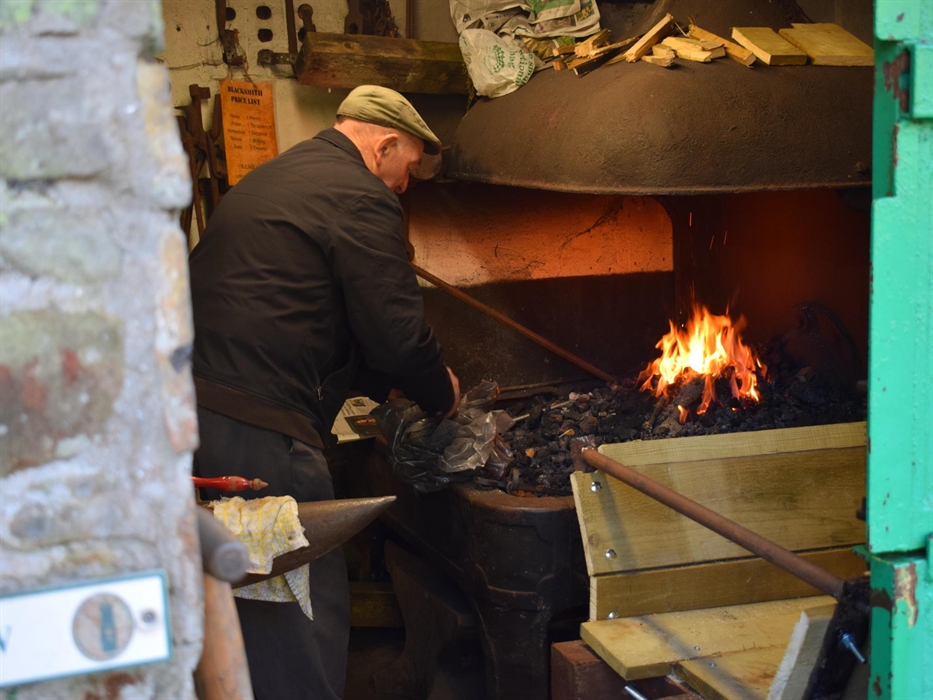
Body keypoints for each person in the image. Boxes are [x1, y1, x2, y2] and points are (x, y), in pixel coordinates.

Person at [188, 85, 460, 699]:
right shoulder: (360, 195)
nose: (405, 184)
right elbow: (395, 335)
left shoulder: (279, 174)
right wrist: (442, 394)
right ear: (384, 144)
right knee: (300, 598)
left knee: (247, 588)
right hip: (255, 421)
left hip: (194, 407)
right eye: (409, 167)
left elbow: (314, 304)